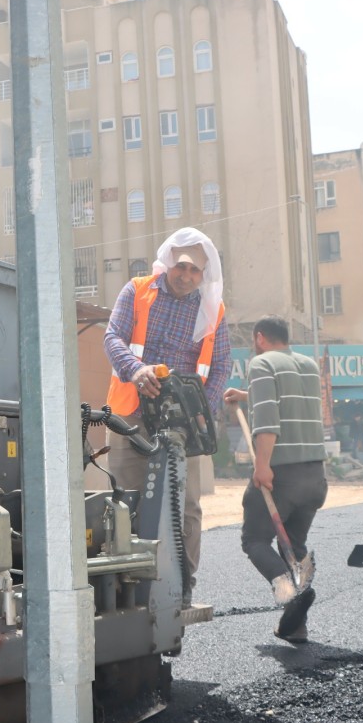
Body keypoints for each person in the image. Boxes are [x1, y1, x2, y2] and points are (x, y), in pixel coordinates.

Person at [104, 228, 230, 607]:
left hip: (181, 423)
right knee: (126, 500)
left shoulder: (212, 309)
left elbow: (221, 366)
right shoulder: (137, 291)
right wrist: (136, 369)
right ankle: (128, 585)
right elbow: (113, 337)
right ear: (169, 262)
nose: (187, 276)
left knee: (185, 505)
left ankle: (181, 586)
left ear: (204, 274)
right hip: (131, 414)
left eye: (195, 270)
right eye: (182, 267)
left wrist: (200, 411)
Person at [223, 316, 327, 644]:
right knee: (293, 548)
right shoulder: (307, 365)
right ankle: (296, 626)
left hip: (282, 474)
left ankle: (288, 594)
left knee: (254, 540)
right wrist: (246, 395)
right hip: (315, 476)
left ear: (259, 337)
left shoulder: (262, 363)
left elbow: (268, 421)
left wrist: (263, 465)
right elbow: (288, 401)